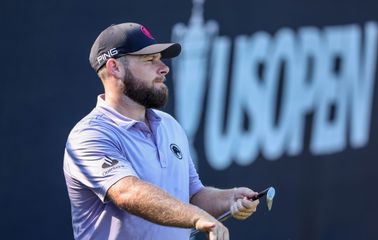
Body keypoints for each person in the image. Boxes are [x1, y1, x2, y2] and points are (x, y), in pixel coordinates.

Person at [63, 22, 259, 240]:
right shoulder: (89, 135)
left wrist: (229, 198)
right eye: (149, 60)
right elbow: (128, 193)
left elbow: (192, 195)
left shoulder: (169, 125)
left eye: (160, 59)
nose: (164, 68)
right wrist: (195, 217)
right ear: (114, 67)